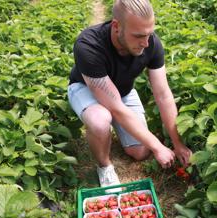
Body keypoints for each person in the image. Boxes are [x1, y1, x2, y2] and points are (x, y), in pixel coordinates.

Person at [67, 0, 192, 188]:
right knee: (101, 120)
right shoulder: (88, 45)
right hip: (86, 89)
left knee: (141, 151)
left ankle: (120, 133)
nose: (146, 42)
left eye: (149, 34)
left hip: (123, 91)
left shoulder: (151, 43)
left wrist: (177, 143)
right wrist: (158, 147)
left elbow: (163, 94)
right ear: (117, 26)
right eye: (139, 36)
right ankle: (105, 167)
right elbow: (115, 108)